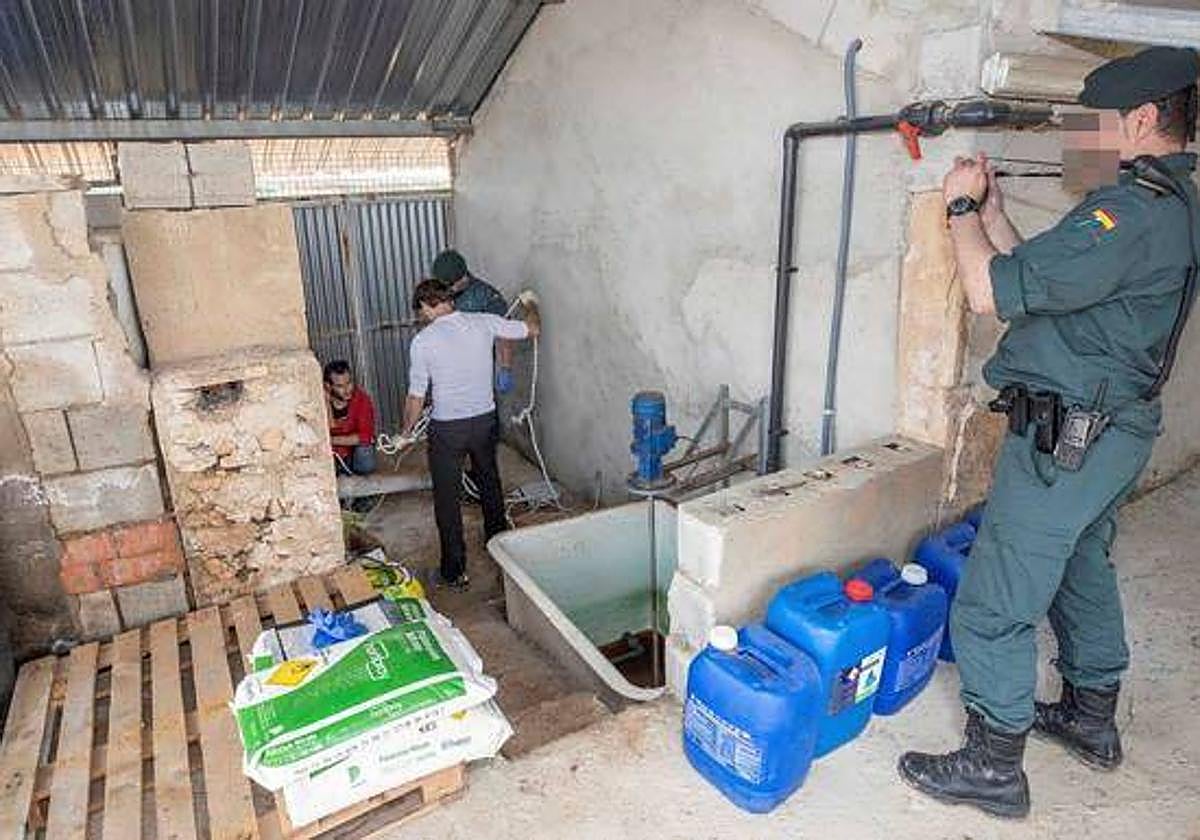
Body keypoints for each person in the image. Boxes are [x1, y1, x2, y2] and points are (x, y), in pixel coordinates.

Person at [898, 47, 1199, 819]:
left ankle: (993, 767)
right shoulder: (1168, 203)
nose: (1077, 141)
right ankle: (1092, 718)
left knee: (994, 601)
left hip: (1067, 440)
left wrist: (959, 211)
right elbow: (1047, 279)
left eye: (1091, 124)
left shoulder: (1124, 217)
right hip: (1114, 433)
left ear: (1140, 119)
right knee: (1080, 567)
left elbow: (989, 291)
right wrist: (995, 215)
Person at [401, 279, 541, 591]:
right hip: (484, 422)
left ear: (426, 306)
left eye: (421, 312)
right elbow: (532, 329)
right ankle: (501, 551)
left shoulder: (423, 341)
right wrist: (531, 304)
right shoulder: (483, 322)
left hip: (448, 429)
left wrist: (406, 431)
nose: (422, 317)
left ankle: (454, 572)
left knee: (447, 499)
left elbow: (416, 395)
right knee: (489, 482)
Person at [431, 249, 517, 394]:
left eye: (450, 285)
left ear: (463, 277)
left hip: (477, 374)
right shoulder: (440, 294)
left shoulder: (486, 296)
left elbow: (505, 333)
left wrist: (506, 368)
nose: (447, 290)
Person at [324, 360, 377, 476]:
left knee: (365, 452)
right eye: (340, 386)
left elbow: (365, 436)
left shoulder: (362, 400)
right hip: (332, 454)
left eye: (348, 383)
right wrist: (327, 404)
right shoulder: (319, 402)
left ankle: (356, 474)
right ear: (328, 386)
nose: (347, 389)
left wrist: (330, 440)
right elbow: (329, 428)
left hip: (353, 455)